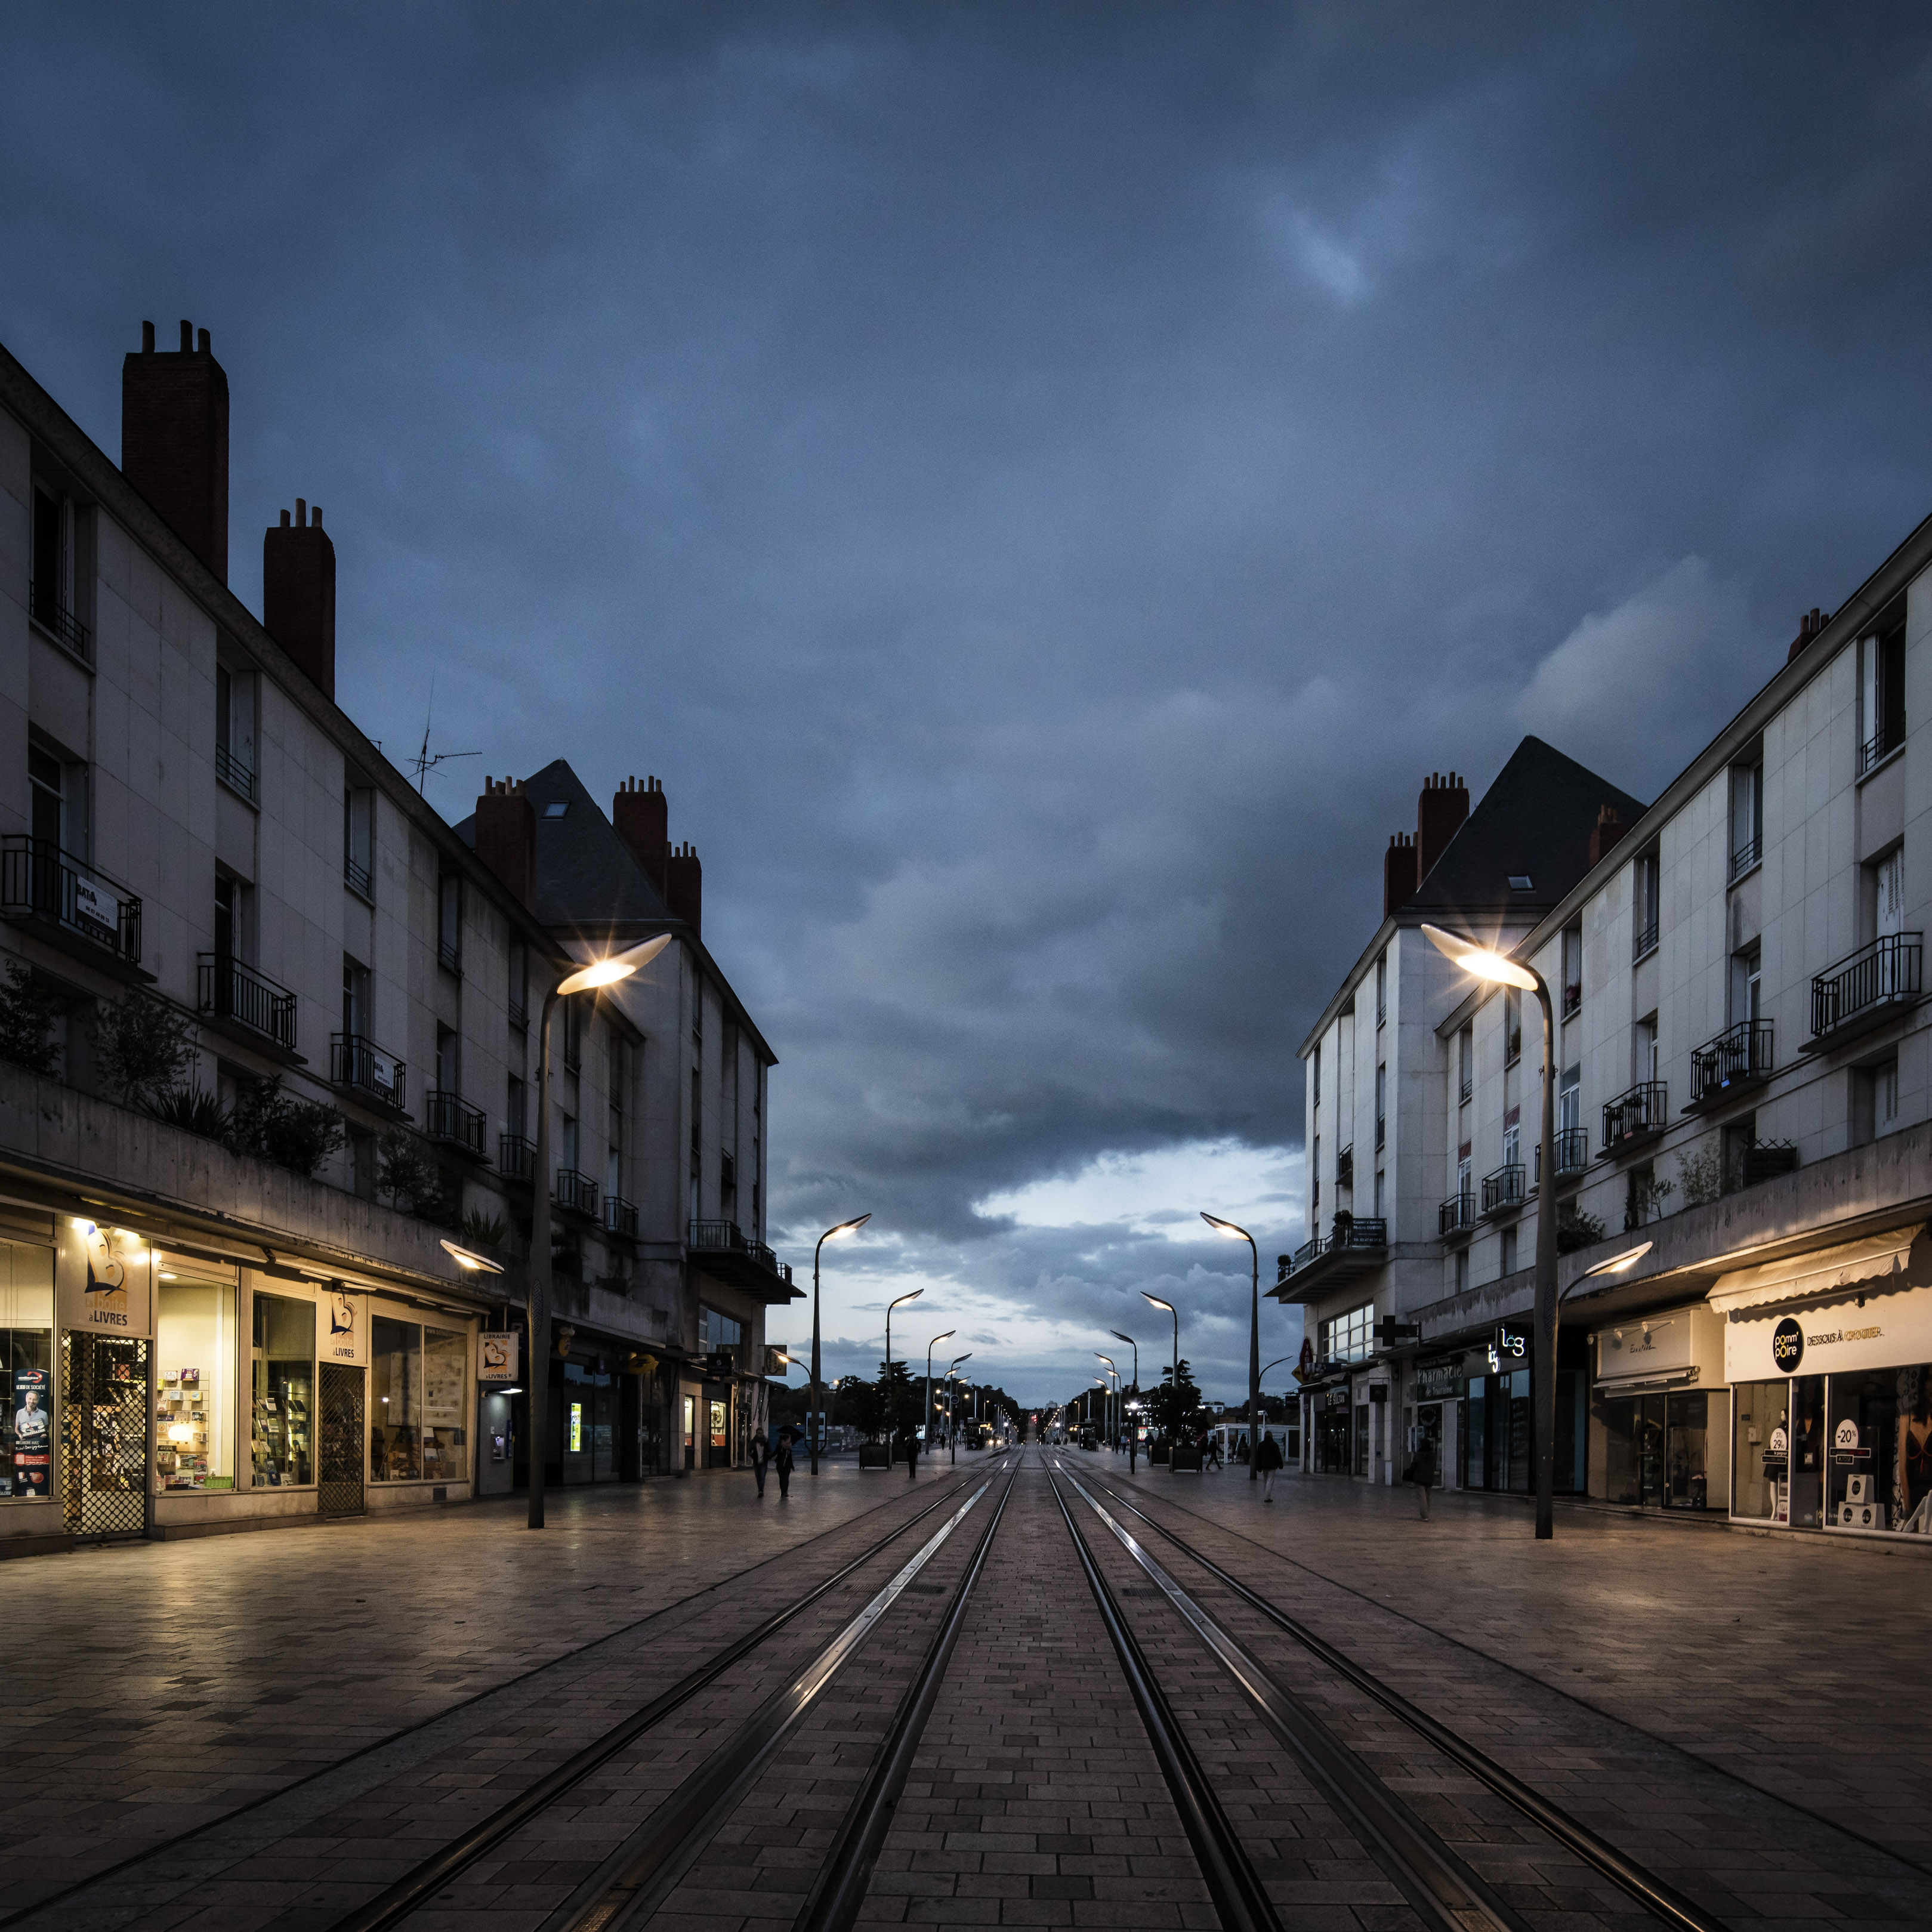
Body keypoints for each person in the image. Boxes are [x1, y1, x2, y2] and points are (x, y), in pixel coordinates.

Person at [1411, 1435, 1437, 1519]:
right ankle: (1427, 1512)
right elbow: (1434, 1467)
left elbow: (1413, 1466)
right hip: (1429, 1479)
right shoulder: (1433, 1456)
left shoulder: (1418, 1455)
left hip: (1420, 1479)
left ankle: (1425, 1515)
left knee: (1422, 1498)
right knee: (1427, 1497)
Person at [1255, 1427, 1284, 1502]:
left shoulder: (1261, 1445)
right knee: (1270, 1481)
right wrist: (1281, 1464)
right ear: (1271, 1436)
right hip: (1272, 1466)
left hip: (1264, 1466)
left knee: (1265, 1480)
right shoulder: (1274, 1445)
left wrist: (1258, 1466)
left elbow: (1258, 1456)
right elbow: (1278, 1455)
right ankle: (1267, 1497)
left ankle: (1266, 1495)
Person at [773, 1427, 794, 1499]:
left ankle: (785, 1492)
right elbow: (775, 1453)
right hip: (780, 1465)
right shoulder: (780, 1446)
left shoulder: (789, 1447)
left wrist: (792, 1466)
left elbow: (790, 1457)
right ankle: (783, 1492)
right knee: (782, 1478)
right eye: (789, 1438)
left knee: (786, 1478)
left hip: (787, 1466)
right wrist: (768, 1457)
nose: (790, 1439)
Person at [750, 1427, 769, 1499]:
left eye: (761, 1433)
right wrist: (753, 1457)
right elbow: (750, 1450)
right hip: (756, 1462)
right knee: (758, 1477)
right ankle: (760, 1489)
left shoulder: (766, 1441)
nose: (760, 1435)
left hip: (764, 1462)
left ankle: (761, 1490)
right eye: (759, 1433)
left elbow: (769, 1450)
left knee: (762, 1476)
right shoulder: (754, 1442)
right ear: (756, 1433)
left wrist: (768, 1457)